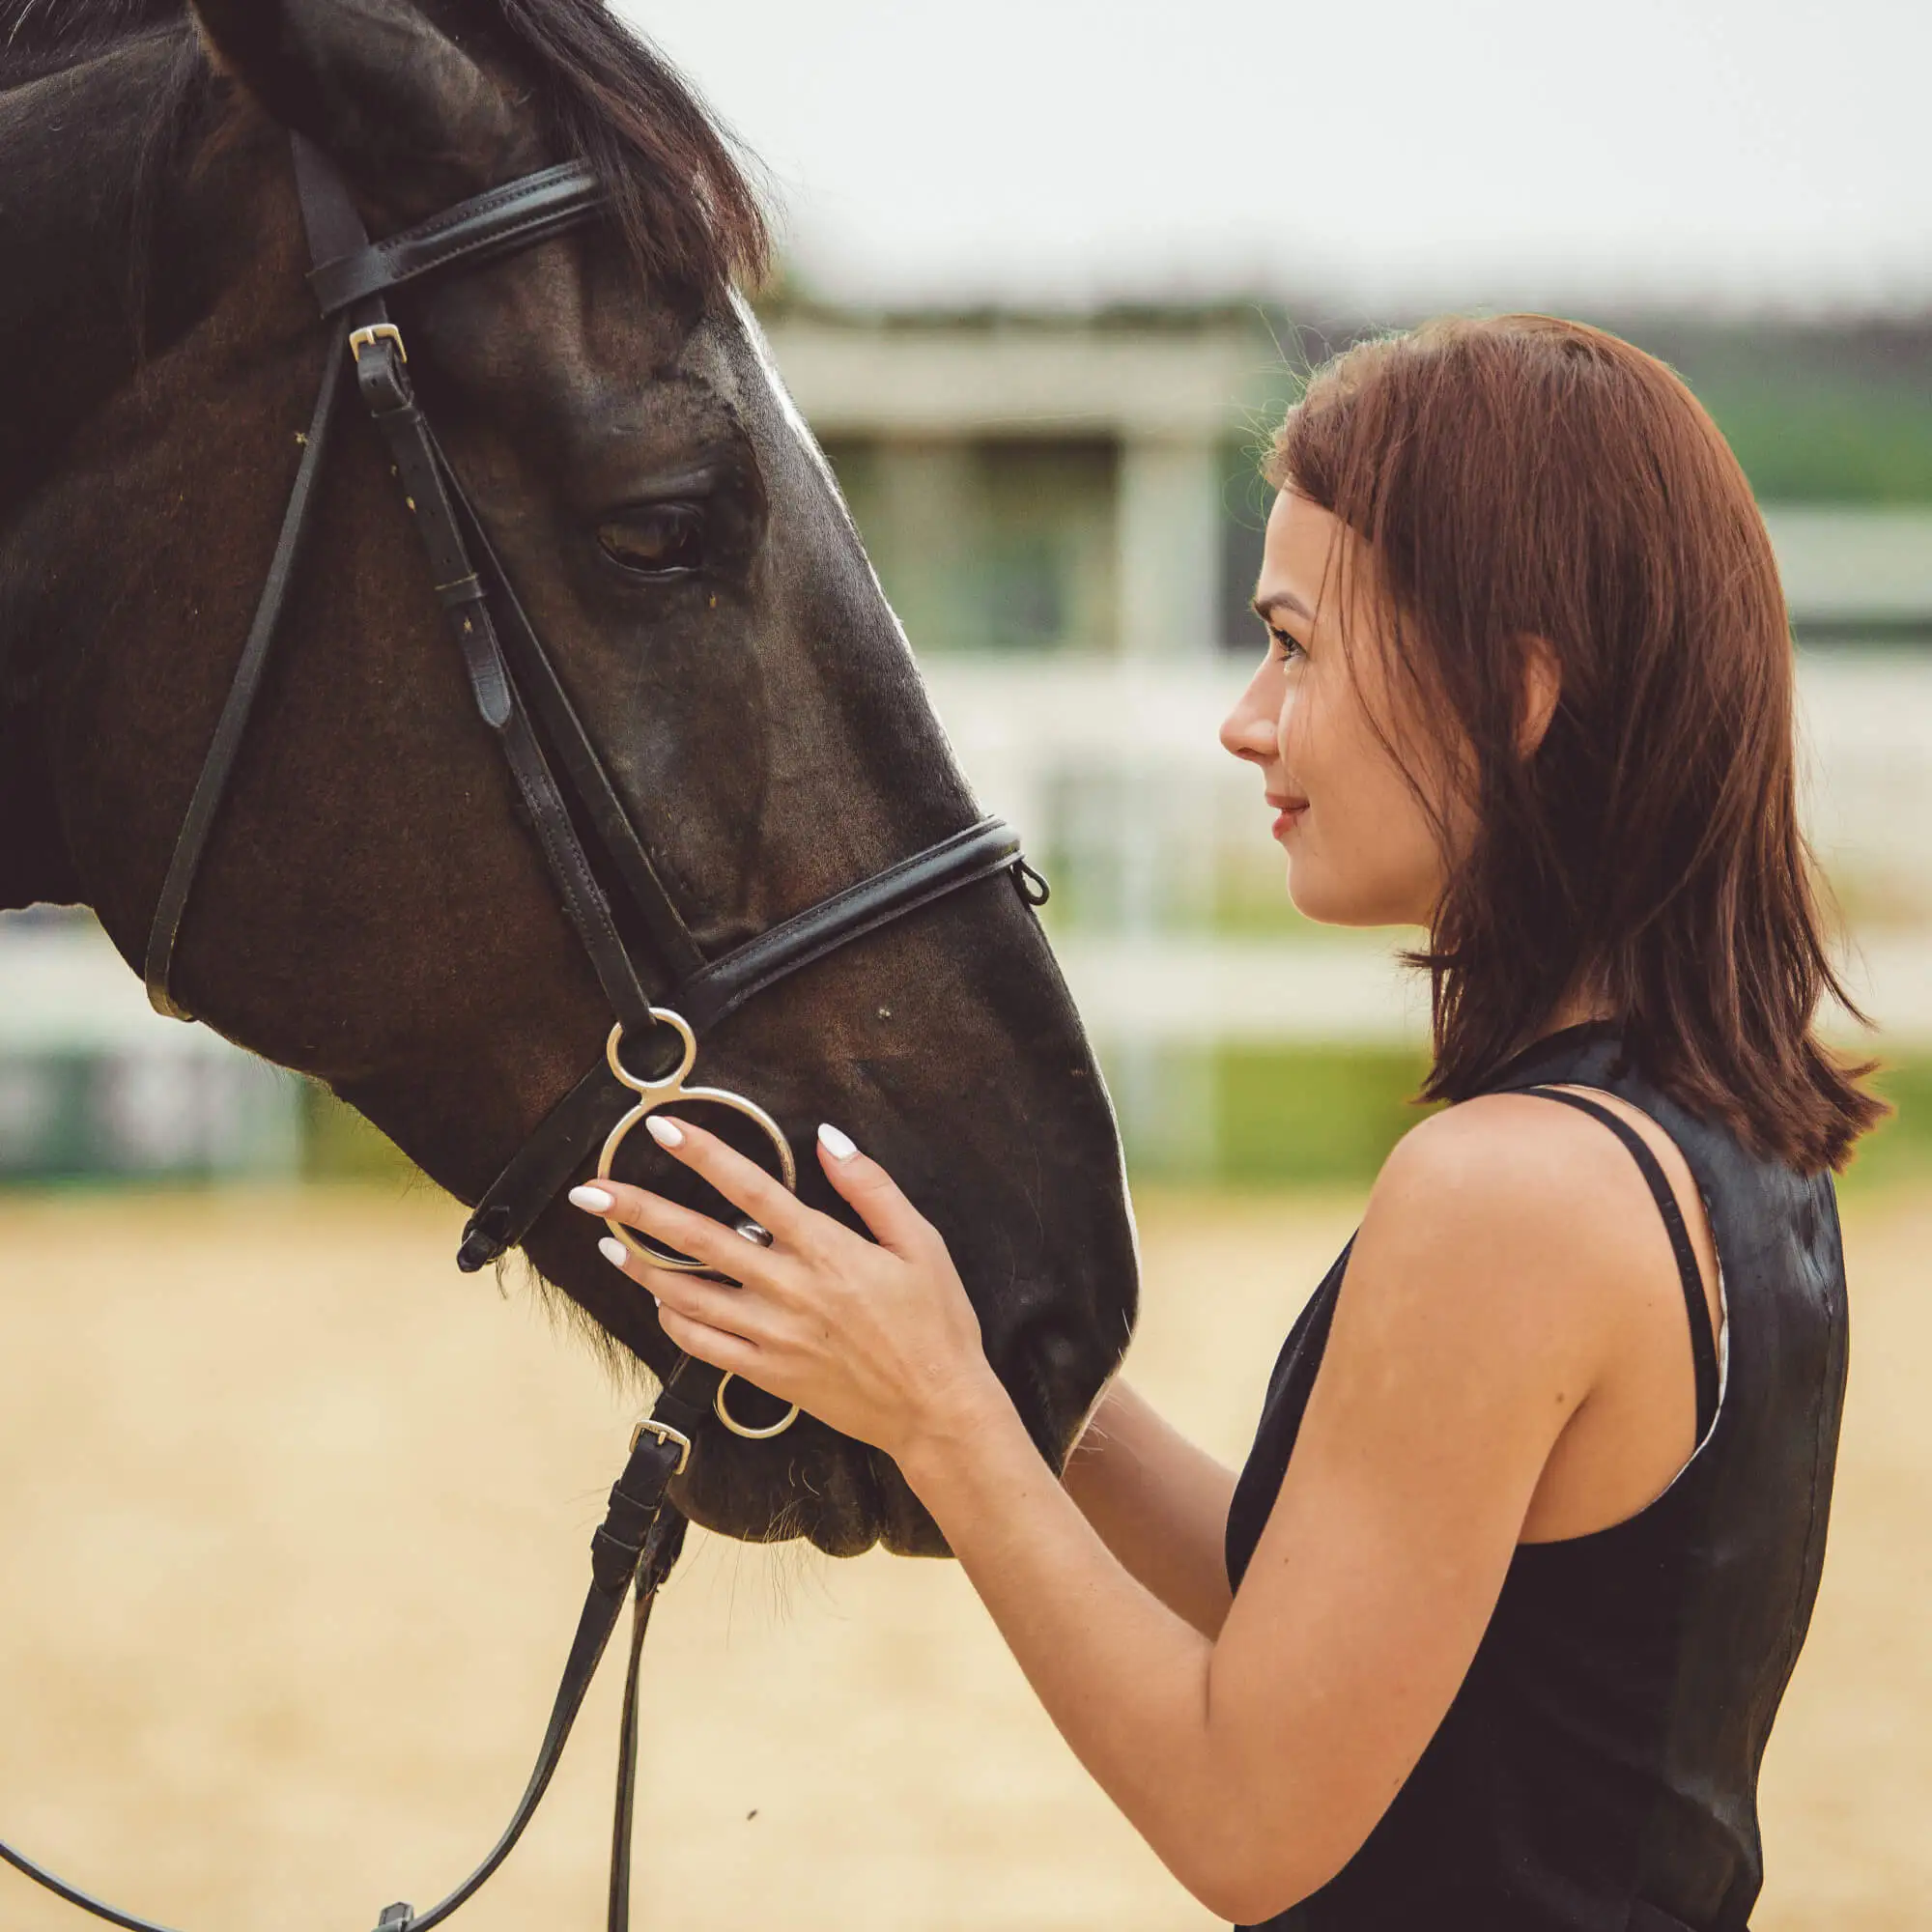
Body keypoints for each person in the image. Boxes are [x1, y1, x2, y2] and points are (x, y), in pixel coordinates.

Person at [568, 314, 1881, 1931]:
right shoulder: (1715, 1145)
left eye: (1297, 644)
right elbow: (1326, 1618)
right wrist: (1009, 1376)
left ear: (1520, 692)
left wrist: (941, 1422)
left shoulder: (1510, 1194)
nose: (1246, 719)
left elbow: (1252, 1817)